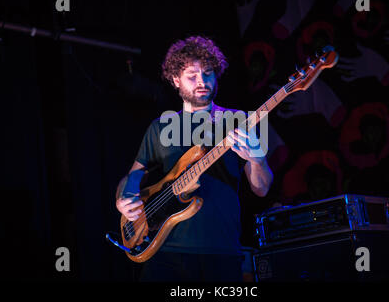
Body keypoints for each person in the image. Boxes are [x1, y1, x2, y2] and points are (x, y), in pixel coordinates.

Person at [115, 35, 273, 282]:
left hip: (221, 250)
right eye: (192, 75)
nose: (202, 81)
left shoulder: (237, 121)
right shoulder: (160, 127)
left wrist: (258, 160)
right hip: (164, 251)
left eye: (208, 73)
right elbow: (134, 174)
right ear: (176, 80)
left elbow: (262, 189)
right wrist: (124, 197)